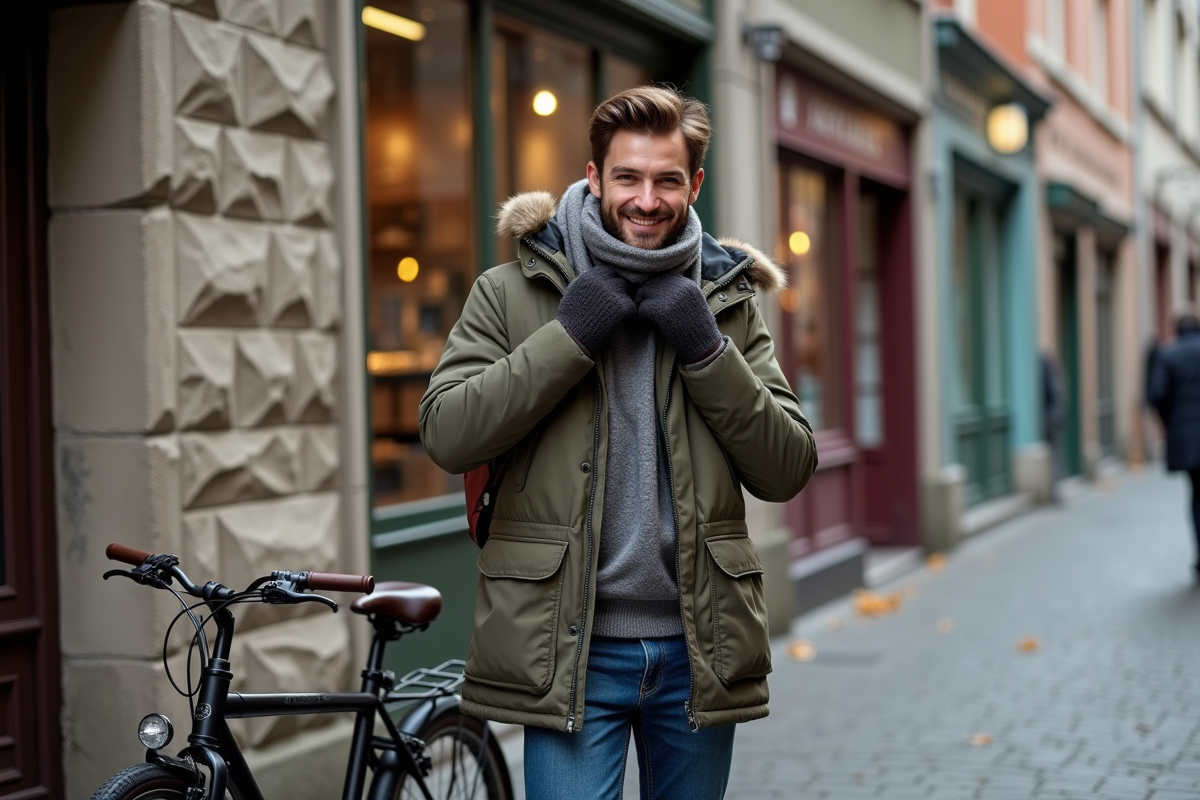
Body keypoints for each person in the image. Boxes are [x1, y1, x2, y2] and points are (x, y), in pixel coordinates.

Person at [419, 86, 818, 799]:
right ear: (594, 175)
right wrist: (570, 336)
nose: (646, 199)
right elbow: (448, 433)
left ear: (693, 184)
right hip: (566, 646)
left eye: (667, 180)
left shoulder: (726, 300)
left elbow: (787, 465)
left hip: (698, 644)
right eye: (627, 177)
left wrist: (704, 348)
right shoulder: (509, 291)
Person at [1148, 311, 1200, 580]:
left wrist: (1172, 424)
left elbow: (1156, 395)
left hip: (1186, 439)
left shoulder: (1168, 355)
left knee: (1196, 495)